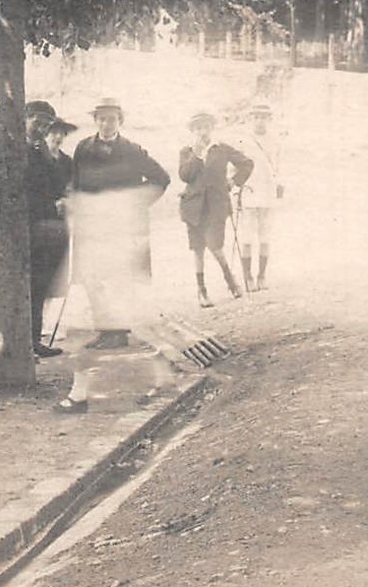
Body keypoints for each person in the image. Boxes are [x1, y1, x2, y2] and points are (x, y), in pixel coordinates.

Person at [59, 96, 171, 412]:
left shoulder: (132, 151)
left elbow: (161, 178)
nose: (106, 124)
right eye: (102, 118)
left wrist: (137, 205)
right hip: (94, 226)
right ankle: (107, 330)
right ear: (96, 121)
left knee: (121, 279)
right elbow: (77, 182)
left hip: (122, 230)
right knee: (95, 279)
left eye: (112, 119)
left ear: (120, 120)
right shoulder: (83, 148)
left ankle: (119, 332)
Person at [177, 111, 252, 307]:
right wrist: (197, 156)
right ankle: (201, 290)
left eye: (206, 127)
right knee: (198, 249)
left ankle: (230, 279)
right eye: (198, 128)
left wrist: (233, 181)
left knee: (215, 245)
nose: (203, 132)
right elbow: (184, 176)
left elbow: (246, 164)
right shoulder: (187, 152)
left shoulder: (222, 149)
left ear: (212, 128)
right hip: (193, 207)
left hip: (217, 206)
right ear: (193, 131)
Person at [25, 102, 73, 358]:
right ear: (26, 118)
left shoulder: (41, 151)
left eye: (47, 125)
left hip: (46, 229)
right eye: (39, 122)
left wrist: (64, 200)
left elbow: (57, 186)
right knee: (30, 285)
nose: (42, 129)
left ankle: (33, 342)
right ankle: (27, 342)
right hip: (27, 228)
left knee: (41, 285)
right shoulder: (16, 147)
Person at [234, 101, 284, 291]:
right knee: (247, 237)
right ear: (251, 118)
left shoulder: (274, 141)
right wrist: (236, 189)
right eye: (256, 117)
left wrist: (278, 184)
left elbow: (278, 167)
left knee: (265, 237)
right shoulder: (243, 140)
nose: (260, 121)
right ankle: (247, 277)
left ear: (269, 119)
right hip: (248, 192)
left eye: (263, 117)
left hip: (268, 193)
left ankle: (262, 276)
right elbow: (236, 167)